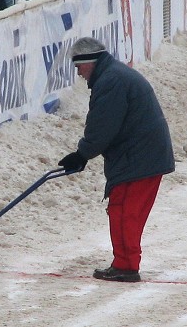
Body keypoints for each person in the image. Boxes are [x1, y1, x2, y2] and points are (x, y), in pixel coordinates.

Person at [58, 37, 175, 282]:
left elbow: (103, 126)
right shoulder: (112, 76)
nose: (79, 74)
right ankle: (124, 263)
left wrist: (82, 154)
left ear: (89, 62)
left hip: (139, 158)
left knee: (124, 212)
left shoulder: (111, 81)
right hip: (140, 155)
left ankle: (126, 266)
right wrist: (84, 154)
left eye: (79, 67)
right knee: (122, 210)